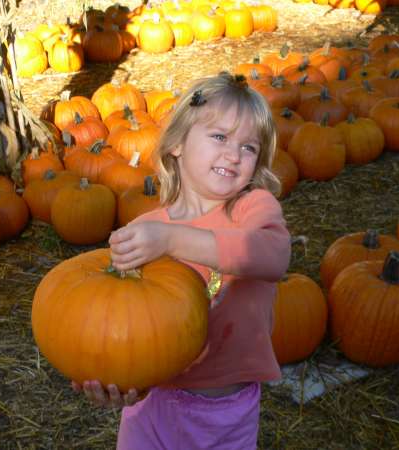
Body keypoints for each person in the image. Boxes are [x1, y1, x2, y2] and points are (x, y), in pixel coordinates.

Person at [73, 72, 291, 450]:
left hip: (226, 416)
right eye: (219, 137)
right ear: (177, 144)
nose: (234, 154)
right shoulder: (147, 230)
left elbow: (273, 255)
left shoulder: (252, 208)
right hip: (152, 409)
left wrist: (173, 240)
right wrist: (118, 378)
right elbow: (123, 317)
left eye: (249, 147)